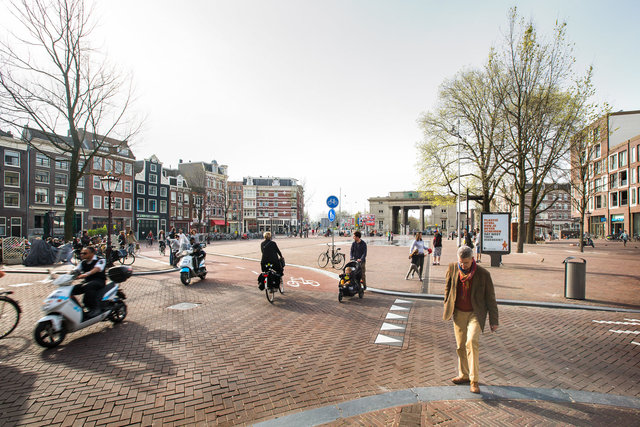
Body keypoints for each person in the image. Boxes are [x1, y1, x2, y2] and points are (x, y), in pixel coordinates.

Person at [443, 245, 499, 394]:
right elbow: (448, 288)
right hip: (459, 313)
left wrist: (494, 320)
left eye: (466, 263)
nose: (463, 265)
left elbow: (491, 298)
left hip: (476, 313)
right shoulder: (453, 268)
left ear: (472, 259)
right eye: (461, 262)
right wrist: (447, 306)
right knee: (460, 346)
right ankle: (464, 375)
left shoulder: (483, 274)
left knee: (471, 342)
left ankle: (474, 381)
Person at [71, 246, 107, 318]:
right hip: (87, 281)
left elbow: (96, 269)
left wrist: (84, 275)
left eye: (84, 253)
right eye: (81, 253)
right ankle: (77, 309)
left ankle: (95, 308)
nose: (82, 255)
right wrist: (68, 275)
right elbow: (75, 270)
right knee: (71, 290)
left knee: (89, 286)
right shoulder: (83, 262)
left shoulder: (100, 260)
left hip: (99, 281)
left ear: (92, 253)